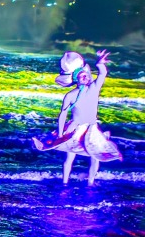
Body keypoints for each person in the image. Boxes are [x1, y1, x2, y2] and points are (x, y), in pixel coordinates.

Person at [33, 50, 122, 185]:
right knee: (70, 156)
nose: (86, 77)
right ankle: (65, 182)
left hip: (91, 128)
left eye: (86, 75)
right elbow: (63, 114)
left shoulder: (94, 88)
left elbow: (102, 74)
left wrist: (100, 63)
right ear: (76, 79)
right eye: (82, 76)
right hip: (75, 128)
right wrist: (61, 133)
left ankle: (90, 182)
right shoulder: (70, 95)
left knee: (95, 156)